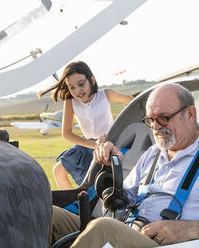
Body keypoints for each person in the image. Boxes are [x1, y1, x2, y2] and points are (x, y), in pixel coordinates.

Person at [51, 83, 199, 247]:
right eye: (150, 120)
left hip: (171, 243)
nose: (156, 127)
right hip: (132, 232)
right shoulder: (152, 154)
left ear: (190, 114)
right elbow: (120, 202)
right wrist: (110, 173)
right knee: (48, 215)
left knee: (103, 229)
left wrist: (196, 228)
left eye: (164, 118)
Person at [38, 61, 133, 189]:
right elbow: (66, 133)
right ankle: (72, 206)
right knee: (58, 171)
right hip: (87, 144)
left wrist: (120, 125)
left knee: (103, 182)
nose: (77, 91)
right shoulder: (70, 102)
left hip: (108, 145)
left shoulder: (105, 94)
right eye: (71, 87)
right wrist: (94, 145)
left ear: (92, 80)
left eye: (81, 84)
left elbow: (130, 100)